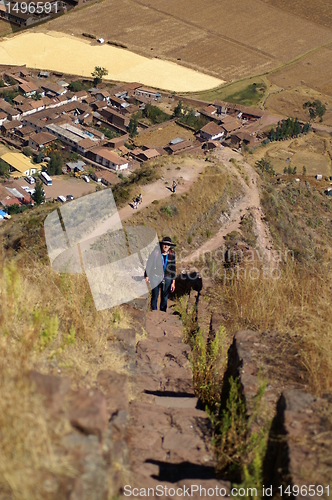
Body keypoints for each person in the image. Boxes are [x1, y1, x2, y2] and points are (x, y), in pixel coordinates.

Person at [144, 236, 176, 312]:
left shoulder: (172, 254)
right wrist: (146, 275)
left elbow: (173, 268)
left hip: (167, 277)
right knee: (155, 295)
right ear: (162, 244)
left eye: (168, 245)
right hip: (155, 277)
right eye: (164, 244)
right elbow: (149, 264)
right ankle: (154, 312)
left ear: (170, 246)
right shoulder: (156, 252)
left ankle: (162, 313)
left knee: (164, 297)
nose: (166, 246)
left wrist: (173, 282)